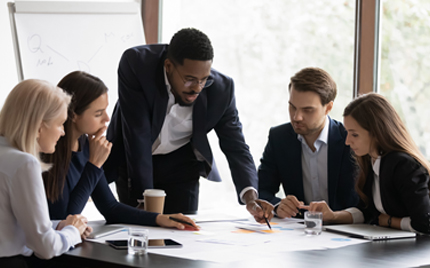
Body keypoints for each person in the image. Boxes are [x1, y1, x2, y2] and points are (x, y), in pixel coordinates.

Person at [104, 27, 272, 222]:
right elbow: (137, 133)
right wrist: (144, 198)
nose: (197, 88)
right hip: (135, 161)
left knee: (184, 232)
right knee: (137, 232)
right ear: (168, 67)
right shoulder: (137, 65)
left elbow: (236, 145)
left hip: (181, 166)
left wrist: (251, 197)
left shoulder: (221, 90)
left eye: (204, 80)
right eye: (190, 80)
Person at [42, 71, 199, 230]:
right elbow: (65, 219)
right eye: (98, 114)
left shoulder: (86, 145)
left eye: (105, 110)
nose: (107, 119)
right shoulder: (49, 151)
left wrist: (159, 218)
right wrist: (94, 165)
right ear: (73, 114)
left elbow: (110, 207)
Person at [303, 93, 430, 234]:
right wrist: (333, 216)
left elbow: (425, 223)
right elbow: (366, 212)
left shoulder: (403, 165)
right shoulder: (372, 161)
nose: (347, 141)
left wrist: (389, 221)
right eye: (347, 133)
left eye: (354, 134)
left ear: (376, 132)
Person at [0, 79, 88, 267]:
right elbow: (45, 247)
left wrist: (57, 226)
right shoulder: (24, 164)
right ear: (39, 127)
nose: (63, 132)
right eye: (60, 124)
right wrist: (73, 231)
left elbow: (8, 225)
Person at [258, 67, 358, 218]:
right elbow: (261, 189)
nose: (297, 117)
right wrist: (278, 206)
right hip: (298, 231)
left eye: (308, 110)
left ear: (328, 108)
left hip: (345, 230)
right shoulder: (279, 138)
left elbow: (365, 203)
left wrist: (336, 217)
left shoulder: (350, 140)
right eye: (292, 107)